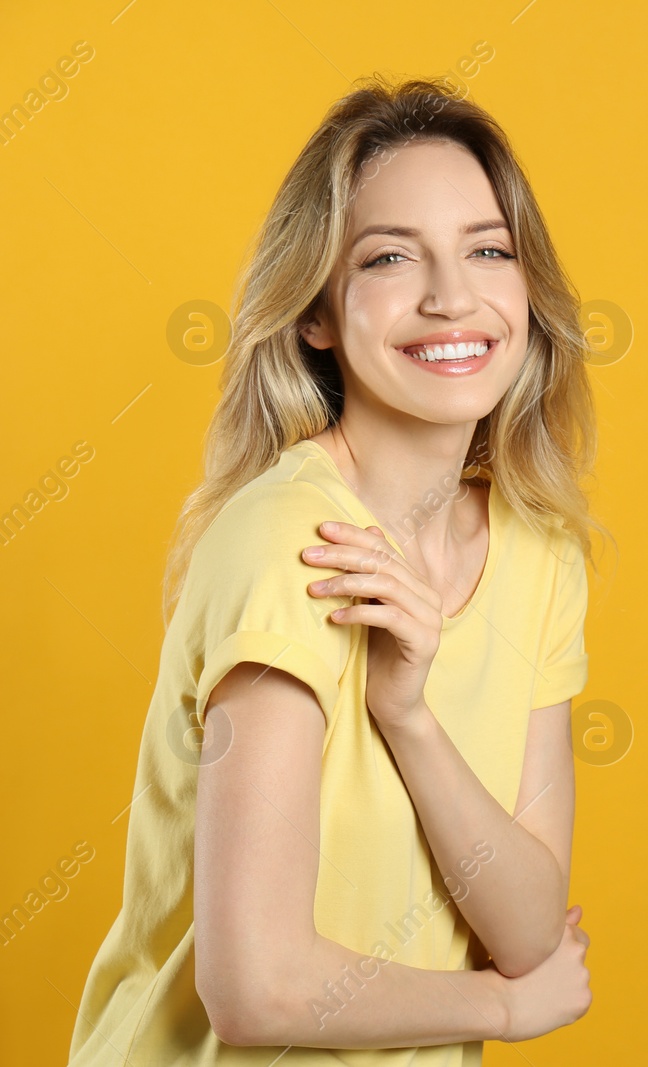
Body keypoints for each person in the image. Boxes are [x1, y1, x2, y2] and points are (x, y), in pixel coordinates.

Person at [66, 74, 610, 1065]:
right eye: (391, 257)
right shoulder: (289, 543)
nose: (452, 296)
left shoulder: (541, 551)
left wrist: (407, 715)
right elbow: (257, 989)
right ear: (316, 311)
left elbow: (530, 926)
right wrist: (497, 1008)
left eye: (488, 249)